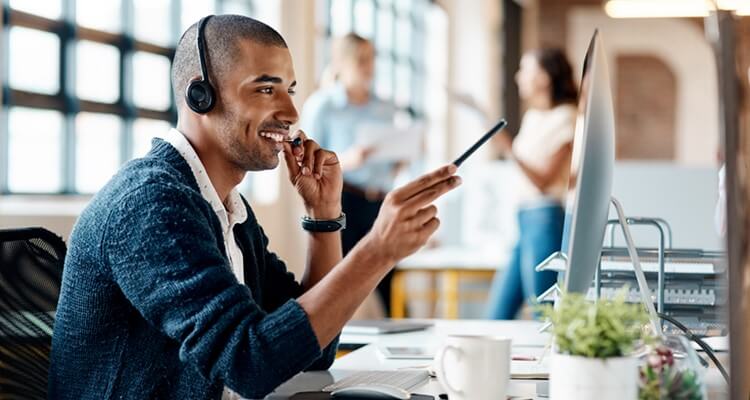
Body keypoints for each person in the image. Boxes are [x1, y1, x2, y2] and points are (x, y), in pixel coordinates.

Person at [49, 15, 461, 399]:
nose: (291, 112)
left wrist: (323, 218)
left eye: (290, 90)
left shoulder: (227, 207)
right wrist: (377, 251)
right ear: (201, 95)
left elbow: (309, 352)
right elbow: (249, 363)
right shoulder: (151, 204)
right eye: (266, 89)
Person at [300, 33, 403, 316]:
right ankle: (325, 342)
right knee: (338, 282)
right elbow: (305, 166)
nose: (369, 66)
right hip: (342, 200)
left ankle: (402, 348)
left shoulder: (385, 108)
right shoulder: (322, 106)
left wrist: (401, 158)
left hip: (379, 201)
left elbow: (388, 163)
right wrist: (347, 160)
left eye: (372, 59)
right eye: (361, 60)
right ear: (342, 63)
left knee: (389, 280)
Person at [486, 48, 578, 320]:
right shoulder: (532, 117)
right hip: (524, 220)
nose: (518, 77)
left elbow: (543, 180)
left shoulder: (567, 118)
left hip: (544, 217)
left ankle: (553, 364)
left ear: (545, 78)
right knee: (497, 315)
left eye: (525, 70)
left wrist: (507, 147)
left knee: (545, 314)